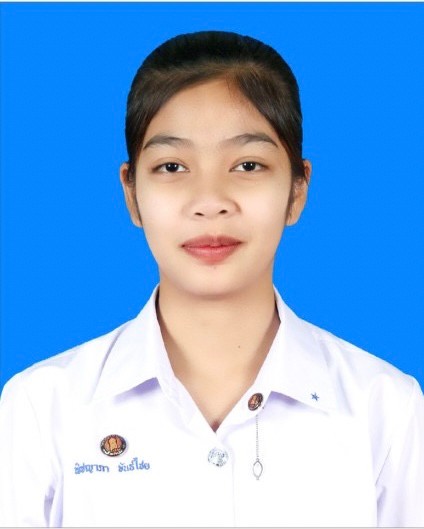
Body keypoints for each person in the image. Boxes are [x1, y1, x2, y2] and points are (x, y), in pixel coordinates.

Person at [0, 30, 423, 528]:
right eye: (171, 166)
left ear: (297, 190)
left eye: (248, 164)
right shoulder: (42, 408)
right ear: (131, 193)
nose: (209, 201)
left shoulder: (384, 409)